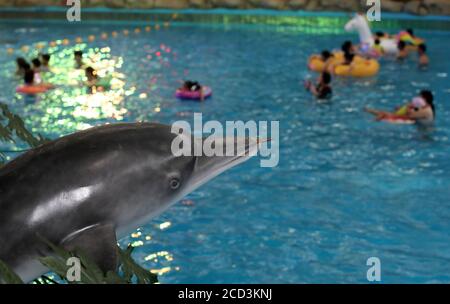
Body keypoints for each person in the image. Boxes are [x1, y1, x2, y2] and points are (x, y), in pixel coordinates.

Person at [365, 90, 435, 125]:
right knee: (386, 114)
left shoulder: (426, 111)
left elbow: (410, 115)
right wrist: (402, 109)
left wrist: (408, 107)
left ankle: (371, 123)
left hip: (424, 131)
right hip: (418, 125)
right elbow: (412, 112)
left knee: (385, 115)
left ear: (424, 99)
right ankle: (369, 111)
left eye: (420, 97)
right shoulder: (423, 107)